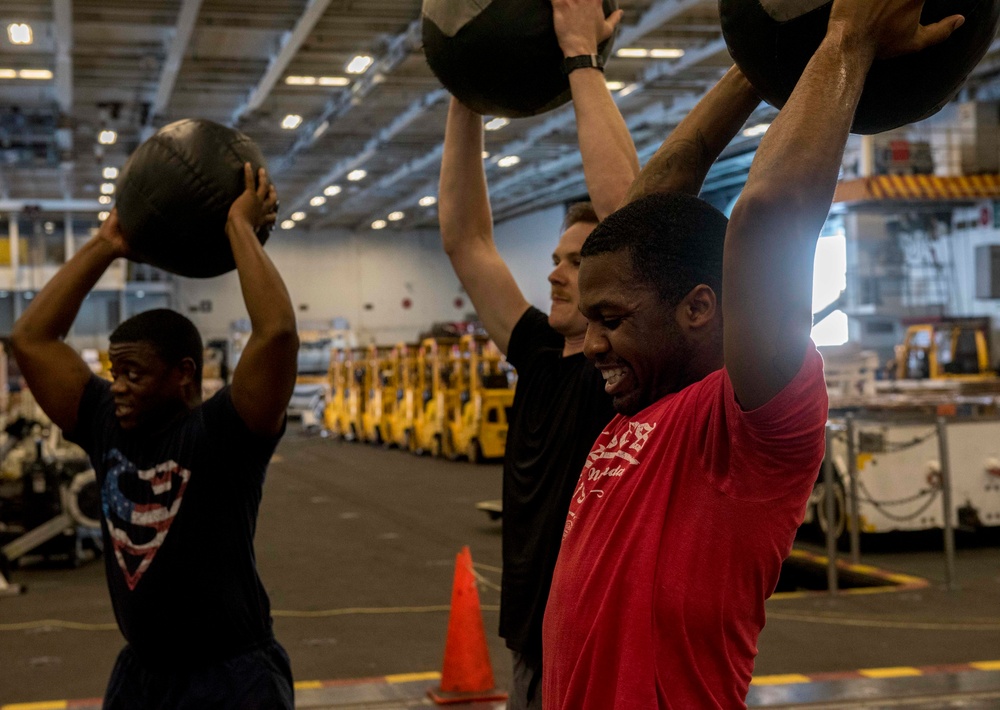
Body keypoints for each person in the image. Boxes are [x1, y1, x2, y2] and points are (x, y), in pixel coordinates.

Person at [541, 0, 965, 707]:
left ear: (701, 307)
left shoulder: (751, 420)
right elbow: (639, 222)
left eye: (610, 320)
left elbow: (768, 218)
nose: (591, 345)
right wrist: (760, 64)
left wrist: (847, 38)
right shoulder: (638, 407)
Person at [10, 164, 299, 709]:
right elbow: (31, 338)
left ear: (183, 374)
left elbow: (277, 333)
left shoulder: (222, 435)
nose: (117, 386)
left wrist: (239, 227)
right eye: (114, 372)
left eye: (134, 374)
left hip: (231, 677)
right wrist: (106, 244)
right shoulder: (104, 424)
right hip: (145, 675)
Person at [437, 0, 640, 705]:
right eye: (555, 258)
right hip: (533, 636)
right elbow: (467, 241)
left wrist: (581, 60)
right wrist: (466, 86)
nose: (555, 273)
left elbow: (632, 221)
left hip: (603, 641)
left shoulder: (626, 373)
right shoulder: (537, 353)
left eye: (576, 262)